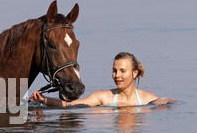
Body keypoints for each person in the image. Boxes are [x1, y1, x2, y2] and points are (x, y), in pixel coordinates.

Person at [29, 52, 175, 107]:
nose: (117, 75)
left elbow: (170, 103)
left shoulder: (148, 99)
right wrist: (44, 100)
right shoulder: (103, 97)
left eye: (122, 71)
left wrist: (168, 100)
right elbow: (70, 105)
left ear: (135, 73)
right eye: (114, 70)